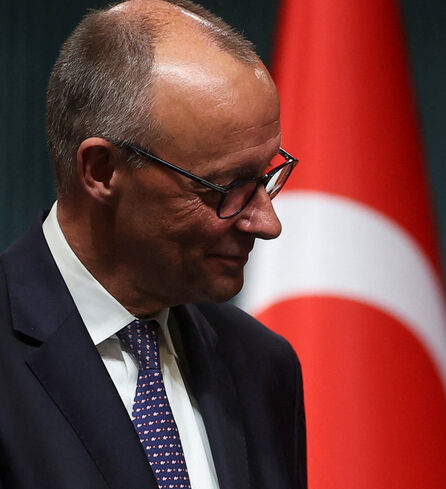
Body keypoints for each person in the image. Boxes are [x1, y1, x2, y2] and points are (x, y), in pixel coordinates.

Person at [0, 1, 306, 488]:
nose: (267, 223)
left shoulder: (264, 367)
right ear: (101, 171)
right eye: (227, 187)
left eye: (266, 177)